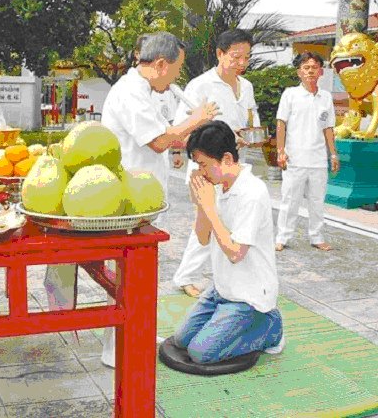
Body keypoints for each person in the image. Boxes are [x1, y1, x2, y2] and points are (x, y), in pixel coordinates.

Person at [43, 31, 220, 368]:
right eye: (176, 70)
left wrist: (190, 128)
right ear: (161, 64)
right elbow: (157, 141)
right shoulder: (129, 92)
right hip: (125, 199)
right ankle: (117, 349)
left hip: (141, 196)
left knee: (137, 275)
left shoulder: (149, 90)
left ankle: (134, 333)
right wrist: (197, 118)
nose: (175, 78)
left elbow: (169, 134)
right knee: (125, 276)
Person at [172, 120, 284, 364]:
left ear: (226, 159)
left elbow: (235, 253)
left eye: (203, 165)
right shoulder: (218, 186)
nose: (200, 172)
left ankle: (271, 327)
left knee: (201, 353)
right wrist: (201, 204)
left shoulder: (252, 192)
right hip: (222, 289)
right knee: (181, 340)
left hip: (249, 296)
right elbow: (203, 238)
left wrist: (210, 207)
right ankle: (229, 319)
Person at [172, 28, 260, 298]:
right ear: (220, 54)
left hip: (233, 167)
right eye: (235, 57)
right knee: (207, 220)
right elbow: (181, 127)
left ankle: (226, 276)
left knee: (227, 222)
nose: (241, 63)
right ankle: (186, 276)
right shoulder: (200, 85)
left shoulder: (246, 87)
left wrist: (248, 135)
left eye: (246, 57)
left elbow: (251, 120)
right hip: (206, 167)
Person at [274, 52, 340, 252]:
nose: (310, 71)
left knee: (317, 201)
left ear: (320, 71)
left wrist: (333, 154)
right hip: (295, 158)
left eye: (314, 67)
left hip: (318, 160)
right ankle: (282, 237)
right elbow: (281, 123)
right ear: (299, 72)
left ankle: (317, 236)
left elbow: (328, 127)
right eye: (306, 67)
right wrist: (280, 151)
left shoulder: (326, 97)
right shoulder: (290, 94)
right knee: (289, 201)